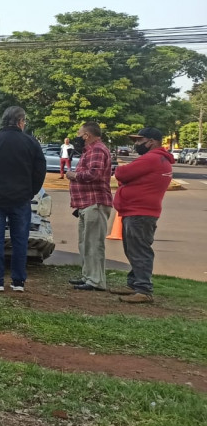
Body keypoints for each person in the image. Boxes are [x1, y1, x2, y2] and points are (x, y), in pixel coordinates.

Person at [0, 106, 46, 293]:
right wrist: (30, 192)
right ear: (21, 121)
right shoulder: (31, 143)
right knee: (20, 240)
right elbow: (39, 172)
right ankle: (18, 281)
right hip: (21, 199)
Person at [109, 128, 173, 303]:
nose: (135, 144)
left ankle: (143, 289)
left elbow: (122, 173)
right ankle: (134, 284)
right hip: (140, 211)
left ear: (151, 141)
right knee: (133, 249)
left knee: (139, 250)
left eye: (139, 140)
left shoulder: (151, 158)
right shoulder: (160, 159)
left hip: (140, 212)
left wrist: (124, 177)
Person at [65, 122, 113, 292]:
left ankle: (96, 280)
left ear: (87, 135)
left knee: (93, 243)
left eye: (79, 133)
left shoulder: (97, 150)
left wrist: (74, 175)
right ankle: (88, 276)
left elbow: (95, 174)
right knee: (85, 243)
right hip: (86, 203)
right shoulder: (90, 150)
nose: (77, 136)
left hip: (95, 202)